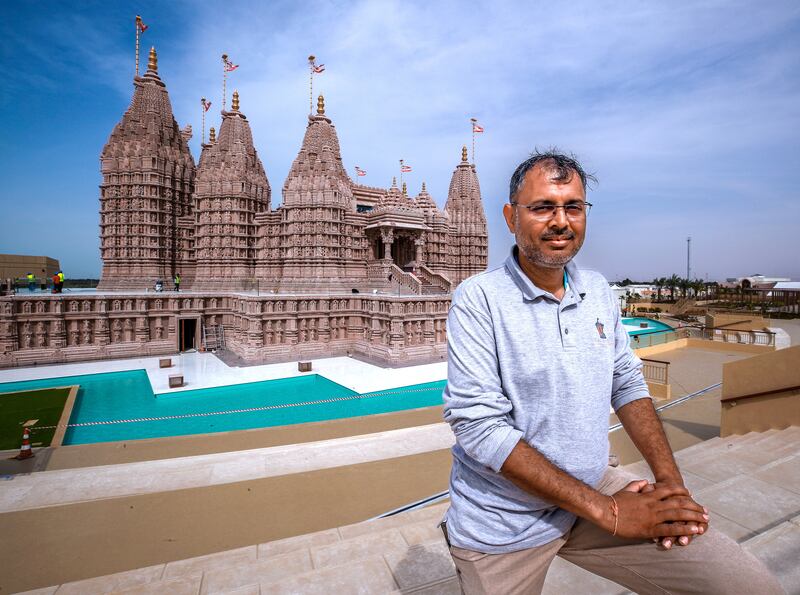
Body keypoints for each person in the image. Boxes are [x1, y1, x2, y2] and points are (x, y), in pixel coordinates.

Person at [441, 150, 783, 594]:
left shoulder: (598, 290)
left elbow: (626, 381)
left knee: (746, 584)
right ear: (511, 216)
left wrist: (671, 485)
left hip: (595, 484)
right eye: (543, 206)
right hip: (506, 521)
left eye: (573, 207)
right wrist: (608, 511)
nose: (560, 221)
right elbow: (480, 426)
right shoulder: (478, 299)